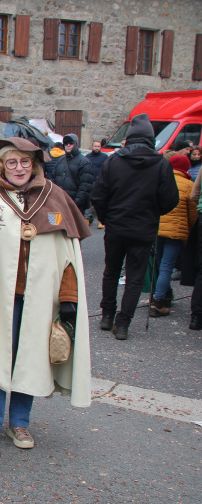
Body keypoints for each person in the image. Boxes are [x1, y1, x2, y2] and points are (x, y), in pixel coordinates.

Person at [0, 137, 91, 450]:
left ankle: (20, 423)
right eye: (12, 162)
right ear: (1, 165)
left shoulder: (55, 197)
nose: (19, 168)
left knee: (30, 358)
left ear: (34, 165)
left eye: (25, 162)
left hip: (40, 297)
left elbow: (68, 256)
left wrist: (69, 298)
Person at [91, 113, 178, 340]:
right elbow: (170, 199)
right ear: (151, 139)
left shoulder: (114, 161)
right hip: (143, 228)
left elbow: (98, 196)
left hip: (117, 226)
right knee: (134, 277)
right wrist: (153, 213)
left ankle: (108, 315)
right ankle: (122, 323)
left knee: (111, 272)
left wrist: (107, 218)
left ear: (129, 137)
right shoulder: (161, 164)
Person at [149, 155, 197, 317]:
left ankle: (165, 292)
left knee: (160, 264)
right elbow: (192, 213)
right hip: (176, 231)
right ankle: (159, 301)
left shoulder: (161, 181)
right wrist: (191, 231)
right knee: (167, 266)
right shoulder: (189, 185)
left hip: (158, 228)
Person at [49, 134, 94, 214]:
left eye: (71, 143)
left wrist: (75, 204)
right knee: (56, 225)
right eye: (66, 143)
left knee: (74, 226)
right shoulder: (60, 160)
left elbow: (85, 187)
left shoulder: (84, 163)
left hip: (75, 207)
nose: (68, 145)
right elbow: (53, 179)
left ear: (76, 144)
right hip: (59, 205)